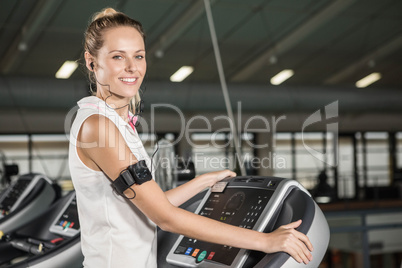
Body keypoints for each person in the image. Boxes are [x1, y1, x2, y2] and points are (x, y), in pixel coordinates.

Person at [68, 7, 313, 267]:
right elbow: (165, 217)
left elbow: (149, 204)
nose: (132, 67)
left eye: (138, 56)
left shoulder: (115, 123)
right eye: (118, 56)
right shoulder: (98, 126)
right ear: (91, 61)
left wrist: (202, 182)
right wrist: (265, 241)